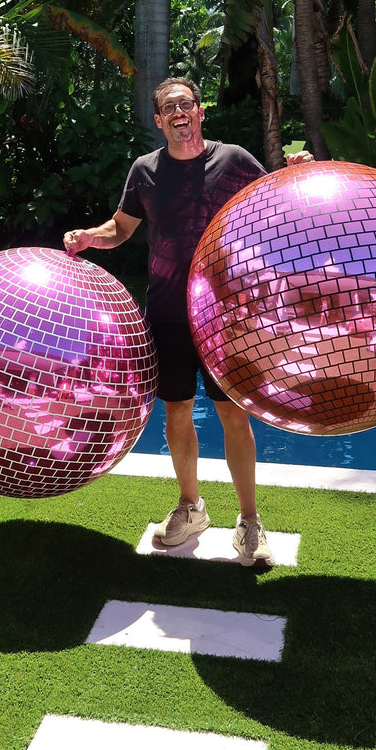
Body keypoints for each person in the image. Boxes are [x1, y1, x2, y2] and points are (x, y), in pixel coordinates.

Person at [64, 77, 313, 567]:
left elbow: (271, 204)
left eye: (186, 104)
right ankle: (190, 505)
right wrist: (91, 237)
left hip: (227, 314)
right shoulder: (145, 171)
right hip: (167, 311)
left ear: (200, 113)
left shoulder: (235, 160)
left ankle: (249, 521)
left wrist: (296, 172)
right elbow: (121, 228)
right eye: (168, 108)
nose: (179, 113)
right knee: (176, 410)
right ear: (159, 121)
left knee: (232, 414)